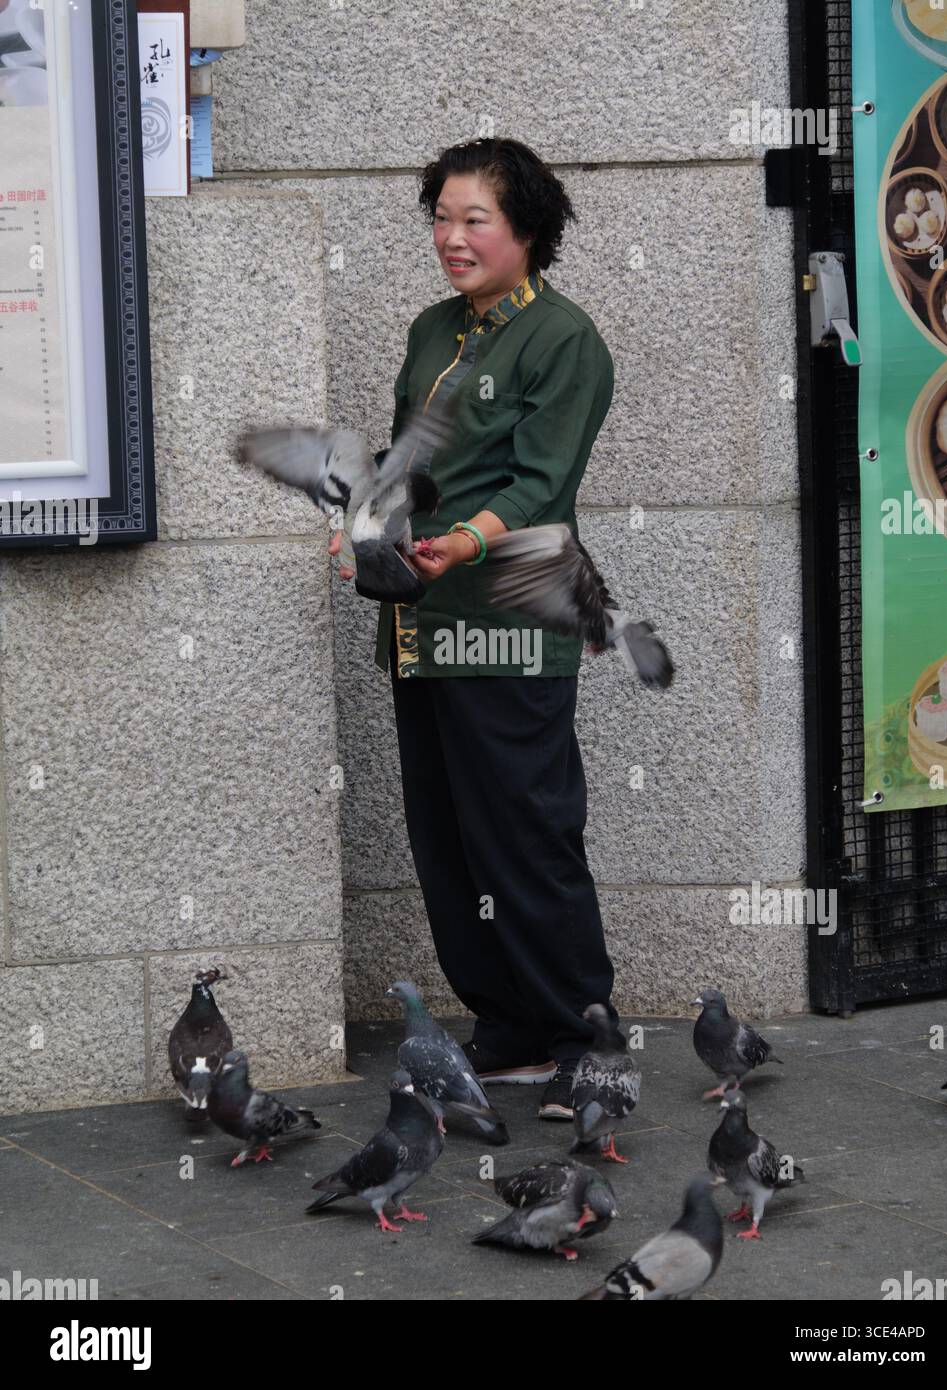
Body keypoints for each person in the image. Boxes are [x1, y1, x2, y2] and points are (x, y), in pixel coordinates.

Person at [330, 137, 624, 1119]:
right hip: (419, 624)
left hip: (508, 616)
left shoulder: (565, 340)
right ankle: (506, 1024)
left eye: (474, 220)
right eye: (441, 219)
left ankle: (585, 1034)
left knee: (528, 833)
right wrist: (368, 525)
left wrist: (460, 543)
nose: (451, 239)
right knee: (449, 839)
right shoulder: (429, 329)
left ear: (527, 230)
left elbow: (543, 481)